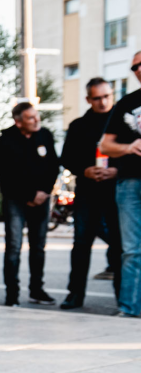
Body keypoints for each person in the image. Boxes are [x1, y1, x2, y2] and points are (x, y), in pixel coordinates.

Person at [61, 78, 121, 310]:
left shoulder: (122, 122)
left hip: (116, 193)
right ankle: (75, 295)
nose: (103, 102)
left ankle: (123, 297)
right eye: (97, 98)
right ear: (88, 99)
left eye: (106, 96)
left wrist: (117, 170)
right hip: (87, 193)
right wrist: (84, 170)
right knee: (81, 244)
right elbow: (66, 158)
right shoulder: (78, 126)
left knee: (119, 245)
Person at [0, 102, 59, 307]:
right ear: (18, 122)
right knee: (14, 247)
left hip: (42, 199)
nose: (37, 120)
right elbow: (5, 175)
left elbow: (53, 166)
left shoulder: (45, 135)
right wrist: (29, 195)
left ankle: (37, 291)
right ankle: (12, 294)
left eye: (36, 116)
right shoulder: (5, 141)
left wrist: (45, 192)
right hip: (16, 201)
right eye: (31, 118)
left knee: (38, 247)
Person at [99, 50, 141, 318]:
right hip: (130, 184)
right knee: (132, 250)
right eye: (134, 66)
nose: (138, 70)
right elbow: (105, 145)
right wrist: (129, 147)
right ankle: (129, 307)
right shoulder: (127, 103)